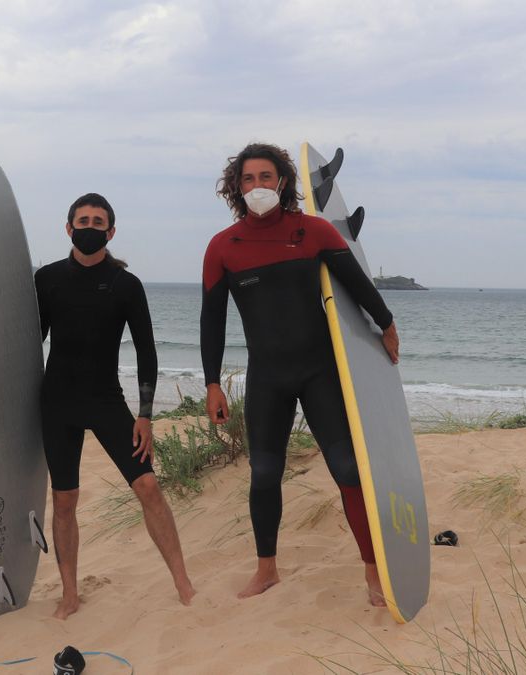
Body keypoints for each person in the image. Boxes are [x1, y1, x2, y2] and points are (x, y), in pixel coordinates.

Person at [199, 143, 400, 606]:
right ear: (237, 188)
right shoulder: (222, 248)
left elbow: (356, 282)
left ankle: (373, 569)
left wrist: (386, 325)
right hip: (267, 377)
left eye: (265, 177)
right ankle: (266, 569)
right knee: (264, 473)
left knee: (347, 469)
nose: (257, 187)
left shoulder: (312, 232)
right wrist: (212, 382)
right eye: (248, 180)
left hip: (319, 371)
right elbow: (212, 320)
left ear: (283, 182)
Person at [35, 192, 196, 619]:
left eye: (98, 221)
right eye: (82, 220)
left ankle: (183, 584)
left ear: (111, 230)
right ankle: (70, 593)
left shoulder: (127, 285)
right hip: (58, 403)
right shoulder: (47, 279)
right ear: (68, 227)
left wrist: (145, 414)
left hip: (106, 401)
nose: (90, 227)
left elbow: (147, 352)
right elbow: (29, 343)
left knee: (148, 487)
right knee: (65, 499)